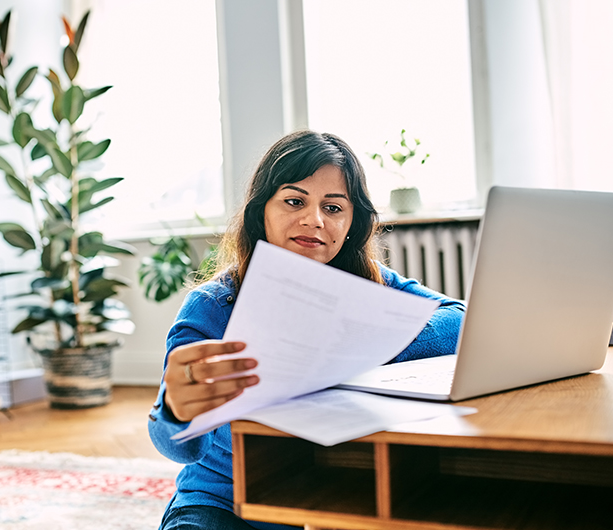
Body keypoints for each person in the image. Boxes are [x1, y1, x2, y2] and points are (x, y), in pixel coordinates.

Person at [149, 130, 466, 529]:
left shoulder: (371, 286)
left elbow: (460, 319)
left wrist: (359, 338)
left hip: (338, 487)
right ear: (261, 211)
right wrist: (175, 410)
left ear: (352, 222)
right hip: (226, 500)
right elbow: (178, 448)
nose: (314, 220)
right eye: (295, 201)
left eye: (333, 208)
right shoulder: (213, 306)